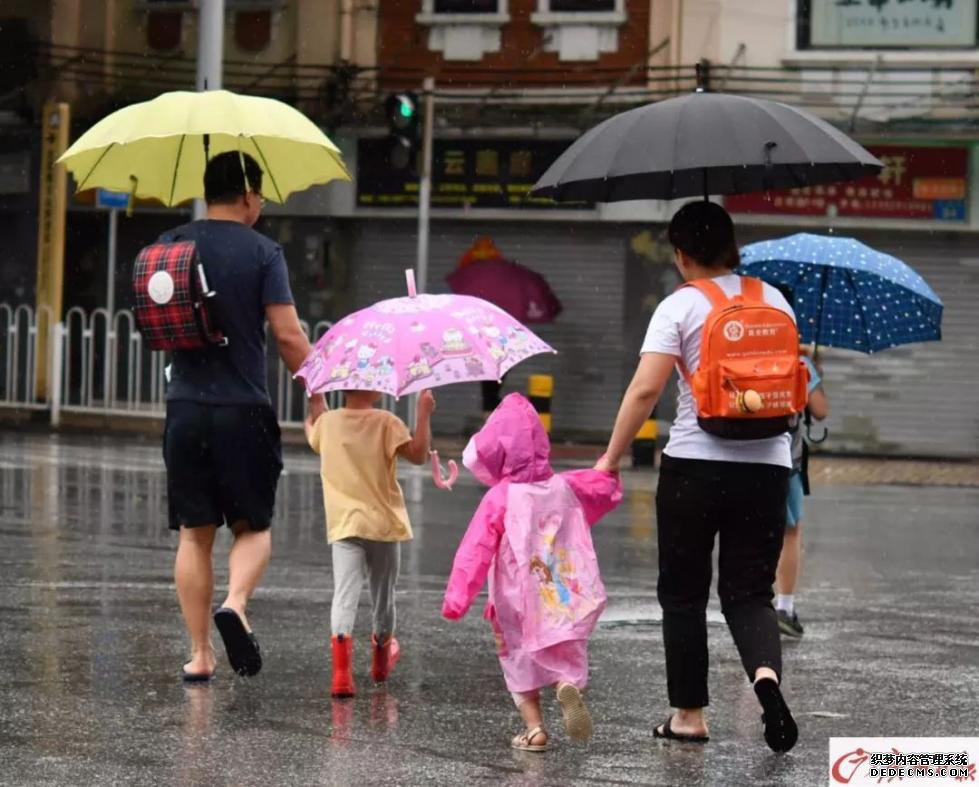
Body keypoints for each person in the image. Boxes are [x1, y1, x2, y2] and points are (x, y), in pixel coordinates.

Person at [595, 201, 799, 753]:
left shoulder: (679, 306)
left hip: (694, 465)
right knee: (751, 594)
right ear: (733, 247)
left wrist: (611, 456)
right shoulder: (774, 300)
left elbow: (644, 390)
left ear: (682, 256)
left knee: (684, 595)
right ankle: (766, 681)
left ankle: (688, 715)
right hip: (769, 465)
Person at [165, 151, 325, 681]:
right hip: (242, 408)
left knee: (194, 532)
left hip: (185, 406)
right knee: (251, 525)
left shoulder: (170, 245)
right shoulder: (263, 252)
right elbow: (286, 333)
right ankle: (235, 602)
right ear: (250, 194)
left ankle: (199, 654)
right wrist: (316, 389)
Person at [442, 394, 621, 752]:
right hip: (557, 590)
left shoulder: (500, 497)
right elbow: (603, 487)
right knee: (559, 644)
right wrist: (607, 466)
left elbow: (474, 550)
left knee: (517, 657)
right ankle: (564, 685)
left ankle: (534, 729)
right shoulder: (564, 485)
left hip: (513, 595)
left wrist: (456, 598)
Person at [304, 388, 436, 698]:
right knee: (383, 595)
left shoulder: (328, 423)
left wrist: (316, 402)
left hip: (345, 525)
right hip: (383, 524)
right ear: (373, 387)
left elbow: (313, 432)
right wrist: (424, 413)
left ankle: (341, 677)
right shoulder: (387, 422)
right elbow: (418, 455)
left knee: (344, 594)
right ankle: (380, 662)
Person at [775, 340, 829, 639]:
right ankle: (784, 608)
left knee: (748, 532)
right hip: (785, 460)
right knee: (790, 531)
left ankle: (747, 602)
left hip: (740, 456)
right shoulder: (798, 362)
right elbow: (820, 411)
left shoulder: (746, 353)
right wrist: (814, 368)